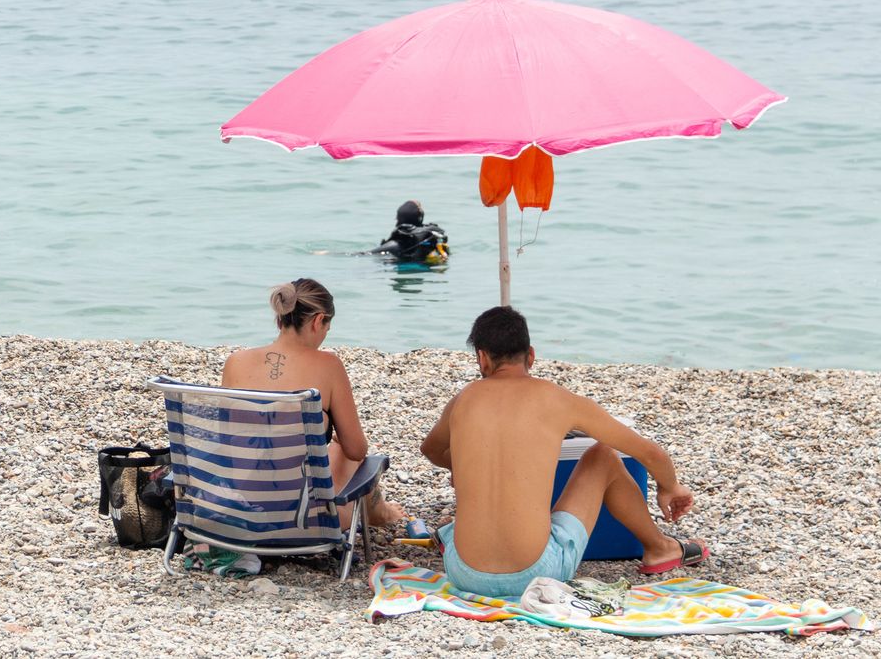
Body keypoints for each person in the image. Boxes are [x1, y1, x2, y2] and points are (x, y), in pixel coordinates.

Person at [419, 306, 709, 600]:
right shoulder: (559, 400)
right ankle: (660, 548)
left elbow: (430, 449)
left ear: (482, 358)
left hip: (464, 574)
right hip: (535, 575)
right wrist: (670, 487)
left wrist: (467, 466)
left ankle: (454, 539)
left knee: (456, 523)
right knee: (603, 456)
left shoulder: (463, 400)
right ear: (531, 355)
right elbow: (651, 454)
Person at [221, 278, 403, 528]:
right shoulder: (329, 366)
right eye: (328, 327)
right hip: (304, 520)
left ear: (280, 318)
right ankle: (382, 514)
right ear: (318, 320)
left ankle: (381, 512)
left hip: (238, 512)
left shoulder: (236, 362)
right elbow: (357, 450)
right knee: (345, 450)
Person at [371, 200, 448, 264]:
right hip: (424, 270)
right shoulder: (431, 235)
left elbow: (368, 254)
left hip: (399, 265)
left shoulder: (397, 243)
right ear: (420, 217)